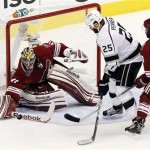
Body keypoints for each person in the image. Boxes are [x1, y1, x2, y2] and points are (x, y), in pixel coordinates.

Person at [0, 39, 100, 118]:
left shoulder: (42, 52)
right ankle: (24, 99)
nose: (28, 65)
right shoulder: (21, 73)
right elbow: (14, 88)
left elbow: (57, 47)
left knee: (58, 73)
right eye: (26, 62)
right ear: (22, 60)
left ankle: (88, 93)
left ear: (35, 58)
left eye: (31, 61)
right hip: (37, 83)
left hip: (51, 70)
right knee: (53, 97)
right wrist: (9, 104)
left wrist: (71, 52)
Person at [85, 10, 143, 120]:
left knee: (121, 90)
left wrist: (104, 80)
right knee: (112, 84)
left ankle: (137, 120)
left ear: (96, 23)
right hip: (126, 55)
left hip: (131, 59)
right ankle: (117, 108)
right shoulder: (107, 19)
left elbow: (113, 63)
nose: (90, 28)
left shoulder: (104, 37)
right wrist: (107, 81)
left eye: (91, 26)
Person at [125, 18, 150, 134]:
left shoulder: (147, 47)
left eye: (147, 29)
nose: (145, 31)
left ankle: (139, 122)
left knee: (146, 96)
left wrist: (142, 80)